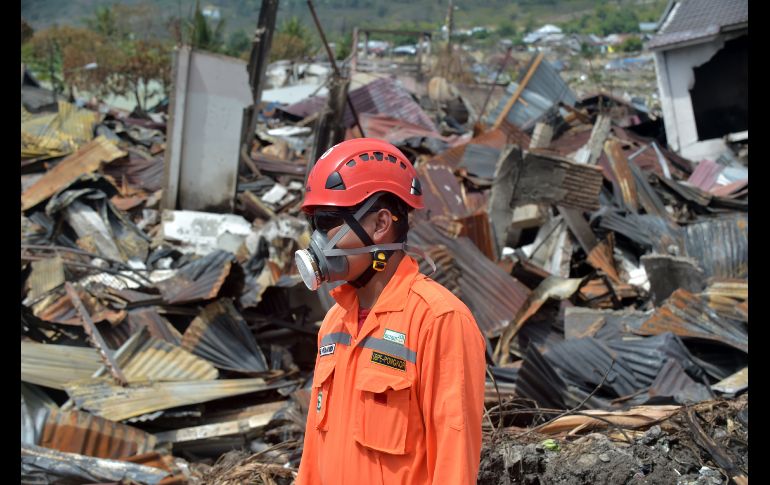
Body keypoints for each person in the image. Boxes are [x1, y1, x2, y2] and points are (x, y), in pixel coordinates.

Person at [294, 138, 486, 485]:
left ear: (381, 224)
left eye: (327, 222)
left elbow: (454, 463)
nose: (317, 241)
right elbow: (313, 456)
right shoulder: (334, 324)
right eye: (315, 225)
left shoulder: (438, 321)